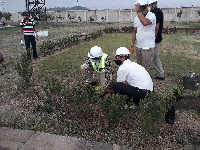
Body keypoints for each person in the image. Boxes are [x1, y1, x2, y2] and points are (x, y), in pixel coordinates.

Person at [131, 0, 156, 71]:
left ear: (144, 7)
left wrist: (138, 10)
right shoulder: (136, 18)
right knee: (139, 67)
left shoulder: (152, 15)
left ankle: (145, 81)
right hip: (139, 47)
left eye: (139, 8)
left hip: (147, 48)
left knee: (145, 69)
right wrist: (132, 43)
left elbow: (145, 22)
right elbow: (135, 31)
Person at [149, 0, 165, 80]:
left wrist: (154, 37)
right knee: (154, 56)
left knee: (151, 56)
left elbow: (157, 25)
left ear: (153, 4)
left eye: (149, 4)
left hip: (155, 38)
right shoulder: (154, 11)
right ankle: (160, 74)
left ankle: (144, 73)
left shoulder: (157, 11)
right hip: (155, 38)